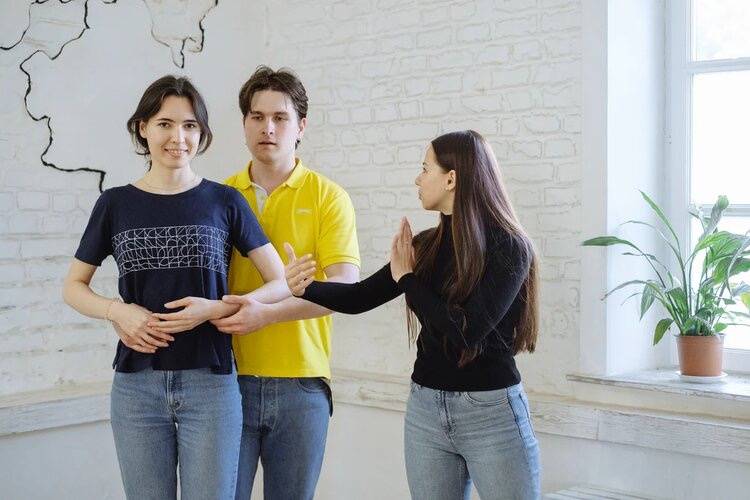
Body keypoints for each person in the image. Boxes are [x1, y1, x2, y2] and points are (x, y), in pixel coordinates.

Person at [62, 75, 288, 500]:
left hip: (211, 383)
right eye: (165, 123)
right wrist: (117, 310)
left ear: (201, 134)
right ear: (143, 127)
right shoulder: (114, 203)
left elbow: (280, 282)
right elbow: (74, 286)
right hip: (136, 386)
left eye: (190, 126)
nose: (178, 137)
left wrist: (217, 307)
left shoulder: (224, 200)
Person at [285, 130, 541, 500]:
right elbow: (359, 297)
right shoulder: (424, 247)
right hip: (426, 410)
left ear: (451, 178)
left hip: (491, 413)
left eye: (425, 169)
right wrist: (305, 287)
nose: (417, 179)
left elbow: (465, 330)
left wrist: (407, 278)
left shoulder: (510, 247)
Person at [210, 66, 360, 500]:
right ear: (244, 124)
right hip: (227, 381)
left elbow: (344, 289)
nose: (267, 128)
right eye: (256, 117)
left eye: (280, 117)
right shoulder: (219, 197)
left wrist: (266, 315)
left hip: (303, 385)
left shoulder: (328, 196)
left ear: (301, 127)